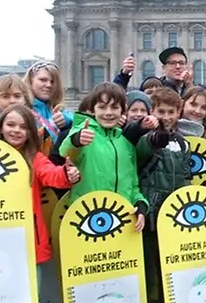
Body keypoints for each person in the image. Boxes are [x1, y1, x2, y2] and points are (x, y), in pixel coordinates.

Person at [0, 105, 79, 303]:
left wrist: (67, 174)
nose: (16, 131)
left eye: (22, 126)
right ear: (1, 126)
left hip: (32, 244)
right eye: (10, 125)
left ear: (30, 131)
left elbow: (53, 175)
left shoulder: (35, 158)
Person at [136, 88, 192, 303]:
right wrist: (154, 136)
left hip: (175, 221)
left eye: (171, 112)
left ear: (178, 113)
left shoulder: (184, 144)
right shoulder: (146, 139)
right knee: (150, 282)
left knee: (172, 279)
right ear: (152, 112)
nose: (167, 117)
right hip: (150, 220)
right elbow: (145, 149)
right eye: (161, 112)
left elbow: (185, 178)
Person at [59, 82, 149, 230]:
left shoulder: (125, 141)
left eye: (114, 107)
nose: (108, 113)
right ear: (93, 109)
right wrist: (76, 140)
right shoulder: (84, 132)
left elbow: (132, 184)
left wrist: (140, 204)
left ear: (123, 111)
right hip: (86, 220)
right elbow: (67, 152)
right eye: (102, 107)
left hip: (121, 221)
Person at [23, 61, 73, 157]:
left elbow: (80, 120)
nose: (49, 85)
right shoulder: (22, 109)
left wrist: (66, 120)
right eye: (43, 80)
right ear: (30, 81)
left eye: (52, 81)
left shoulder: (59, 110)